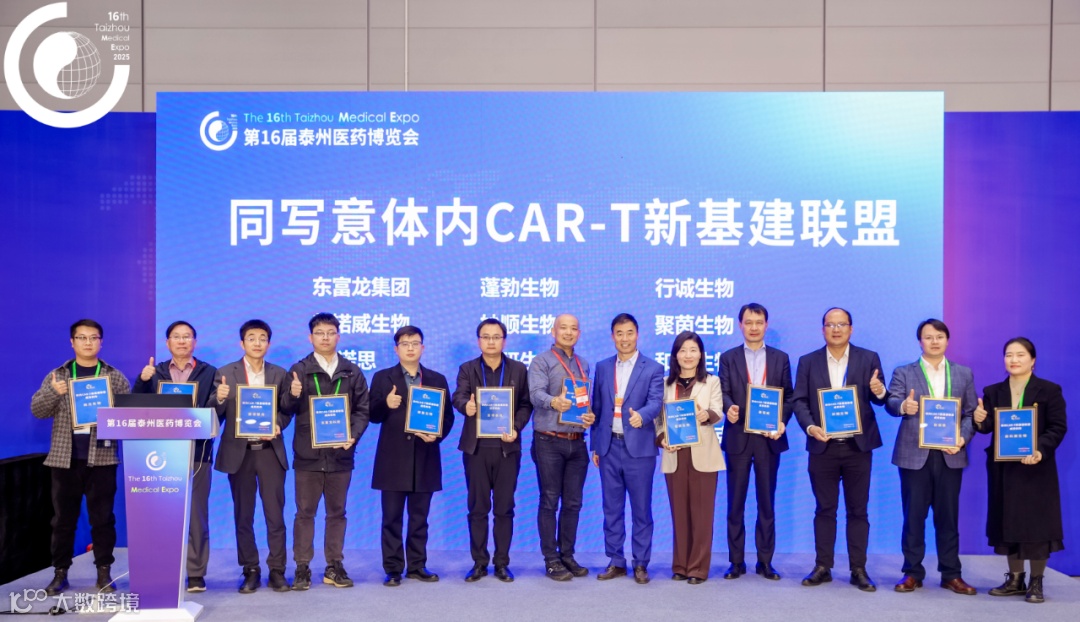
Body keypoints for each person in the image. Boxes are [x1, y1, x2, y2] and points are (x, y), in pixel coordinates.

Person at [31, 319, 131, 595]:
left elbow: (128, 418)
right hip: (65, 460)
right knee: (63, 521)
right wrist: (53, 393)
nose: (88, 342)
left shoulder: (114, 377)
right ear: (72, 342)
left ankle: (104, 572)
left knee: (103, 519)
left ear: (101, 342)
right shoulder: (58, 376)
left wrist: (112, 413)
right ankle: (60, 572)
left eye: (93, 337)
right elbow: (37, 410)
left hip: (102, 459)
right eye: (82, 337)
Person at [792, 307, 887, 592]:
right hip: (823, 446)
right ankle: (823, 566)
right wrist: (811, 427)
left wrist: (879, 390)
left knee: (858, 510)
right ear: (823, 329)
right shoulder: (808, 361)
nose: (836, 329)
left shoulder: (868, 358)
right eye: (830, 325)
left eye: (841, 324)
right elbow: (799, 401)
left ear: (851, 329)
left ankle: (859, 569)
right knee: (825, 509)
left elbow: (880, 398)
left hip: (858, 447)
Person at [885, 319, 977, 595]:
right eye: (928, 337)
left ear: (947, 340)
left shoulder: (963, 373)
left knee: (948, 518)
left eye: (939, 336)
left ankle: (951, 574)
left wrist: (962, 438)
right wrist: (904, 406)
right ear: (920, 342)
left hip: (950, 454)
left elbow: (971, 413)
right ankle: (912, 573)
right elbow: (891, 402)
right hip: (914, 455)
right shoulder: (904, 372)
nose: (934, 341)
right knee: (913, 517)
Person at [280, 313, 370, 590]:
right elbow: (286, 409)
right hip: (308, 455)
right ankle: (302, 566)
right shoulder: (299, 370)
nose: (325, 338)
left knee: (337, 513)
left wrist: (353, 436)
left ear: (338, 336)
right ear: (311, 337)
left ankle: (334, 565)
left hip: (341, 454)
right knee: (304, 513)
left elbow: (362, 410)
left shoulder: (352, 371)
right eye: (320, 333)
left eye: (331, 333)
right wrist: (293, 394)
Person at [974, 337, 1067, 604]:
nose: (1013, 360)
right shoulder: (993, 391)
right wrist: (979, 420)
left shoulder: (1049, 390)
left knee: (1037, 524)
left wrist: (1039, 449)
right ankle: (1015, 579)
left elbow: (1058, 427)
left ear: (1033, 360)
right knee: (1008, 521)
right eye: (1008, 355)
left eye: (1020, 355)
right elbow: (988, 427)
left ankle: (1036, 581)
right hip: (1004, 470)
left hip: (1036, 468)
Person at [132, 320, 219, 592]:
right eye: (176, 337)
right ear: (167, 342)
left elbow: (217, 414)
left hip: (198, 452)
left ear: (195, 342)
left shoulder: (209, 372)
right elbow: (135, 407)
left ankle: (196, 573)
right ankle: (161, 569)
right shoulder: (154, 372)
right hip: (160, 454)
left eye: (187, 336)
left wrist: (220, 398)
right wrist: (142, 381)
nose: (182, 341)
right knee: (160, 514)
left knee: (197, 516)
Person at [208, 319, 292, 594]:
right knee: (243, 515)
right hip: (239, 453)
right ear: (241, 343)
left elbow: (286, 410)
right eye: (252, 338)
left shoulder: (279, 373)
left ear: (269, 343)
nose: (257, 343)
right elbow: (214, 416)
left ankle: (277, 570)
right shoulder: (225, 373)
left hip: (269, 453)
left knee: (275, 515)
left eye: (262, 338)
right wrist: (219, 398)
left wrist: (277, 423)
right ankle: (250, 569)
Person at [369, 326, 454, 587]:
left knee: (419, 519)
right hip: (392, 460)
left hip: (424, 456)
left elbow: (447, 417)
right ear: (396, 349)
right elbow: (372, 415)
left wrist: (435, 435)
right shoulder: (382, 377)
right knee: (391, 519)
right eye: (404, 343)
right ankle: (393, 568)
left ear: (423, 348)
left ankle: (417, 565)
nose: (410, 348)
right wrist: (386, 404)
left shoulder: (437, 379)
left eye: (415, 343)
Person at [452, 318, 532, 583]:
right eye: (486, 337)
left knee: (504, 508)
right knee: (477, 508)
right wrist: (466, 406)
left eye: (496, 337)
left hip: (507, 448)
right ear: (479, 341)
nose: (491, 341)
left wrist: (516, 427)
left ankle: (501, 563)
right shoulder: (468, 368)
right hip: (476, 449)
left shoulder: (518, 369)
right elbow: (458, 396)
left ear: (504, 341)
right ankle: (479, 563)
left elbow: (526, 404)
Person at [719, 303, 793, 581]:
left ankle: (765, 561)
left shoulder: (780, 358)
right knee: (735, 503)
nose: (753, 327)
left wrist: (782, 422)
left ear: (766, 325)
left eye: (758, 322)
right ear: (740, 325)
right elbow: (723, 390)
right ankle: (736, 562)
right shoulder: (728, 357)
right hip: (738, 437)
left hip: (768, 439)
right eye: (748, 322)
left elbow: (789, 396)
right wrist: (728, 407)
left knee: (766, 502)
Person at [590, 313, 664, 585]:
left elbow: (656, 401)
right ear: (613, 336)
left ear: (637, 334)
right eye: (619, 333)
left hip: (640, 449)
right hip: (608, 446)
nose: (624, 338)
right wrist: (596, 446)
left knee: (641, 510)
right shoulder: (602, 367)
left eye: (629, 332)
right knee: (611, 509)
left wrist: (641, 416)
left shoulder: (653, 368)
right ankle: (616, 561)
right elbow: (598, 408)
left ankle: (641, 563)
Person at [527, 313, 596, 581]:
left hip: (577, 442)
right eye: (563, 328)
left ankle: (567, 555)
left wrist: (588, 416)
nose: (568, 332)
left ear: (579, 333)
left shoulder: (583, 364)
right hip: (548, 440)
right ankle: (551, 559)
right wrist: (554, 402)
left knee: (573, 503)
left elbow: (584, 401)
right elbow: (535, 394)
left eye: (573, 328)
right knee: (549, 500)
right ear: (553, 331)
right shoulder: (541, 361)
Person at [659, 331, 724, 584]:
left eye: (693, 350)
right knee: (679, 513)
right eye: (683, 350)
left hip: (703, 454)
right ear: (675, 355)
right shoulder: (665, 384)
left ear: (701, 355)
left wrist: (706, 415)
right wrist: (662, 439)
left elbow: (718, 410)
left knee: (702, 514)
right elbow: (658, 420)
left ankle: (697, 568)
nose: (688, 355)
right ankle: (680, 565)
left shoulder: (712, 381)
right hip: (675, 454)